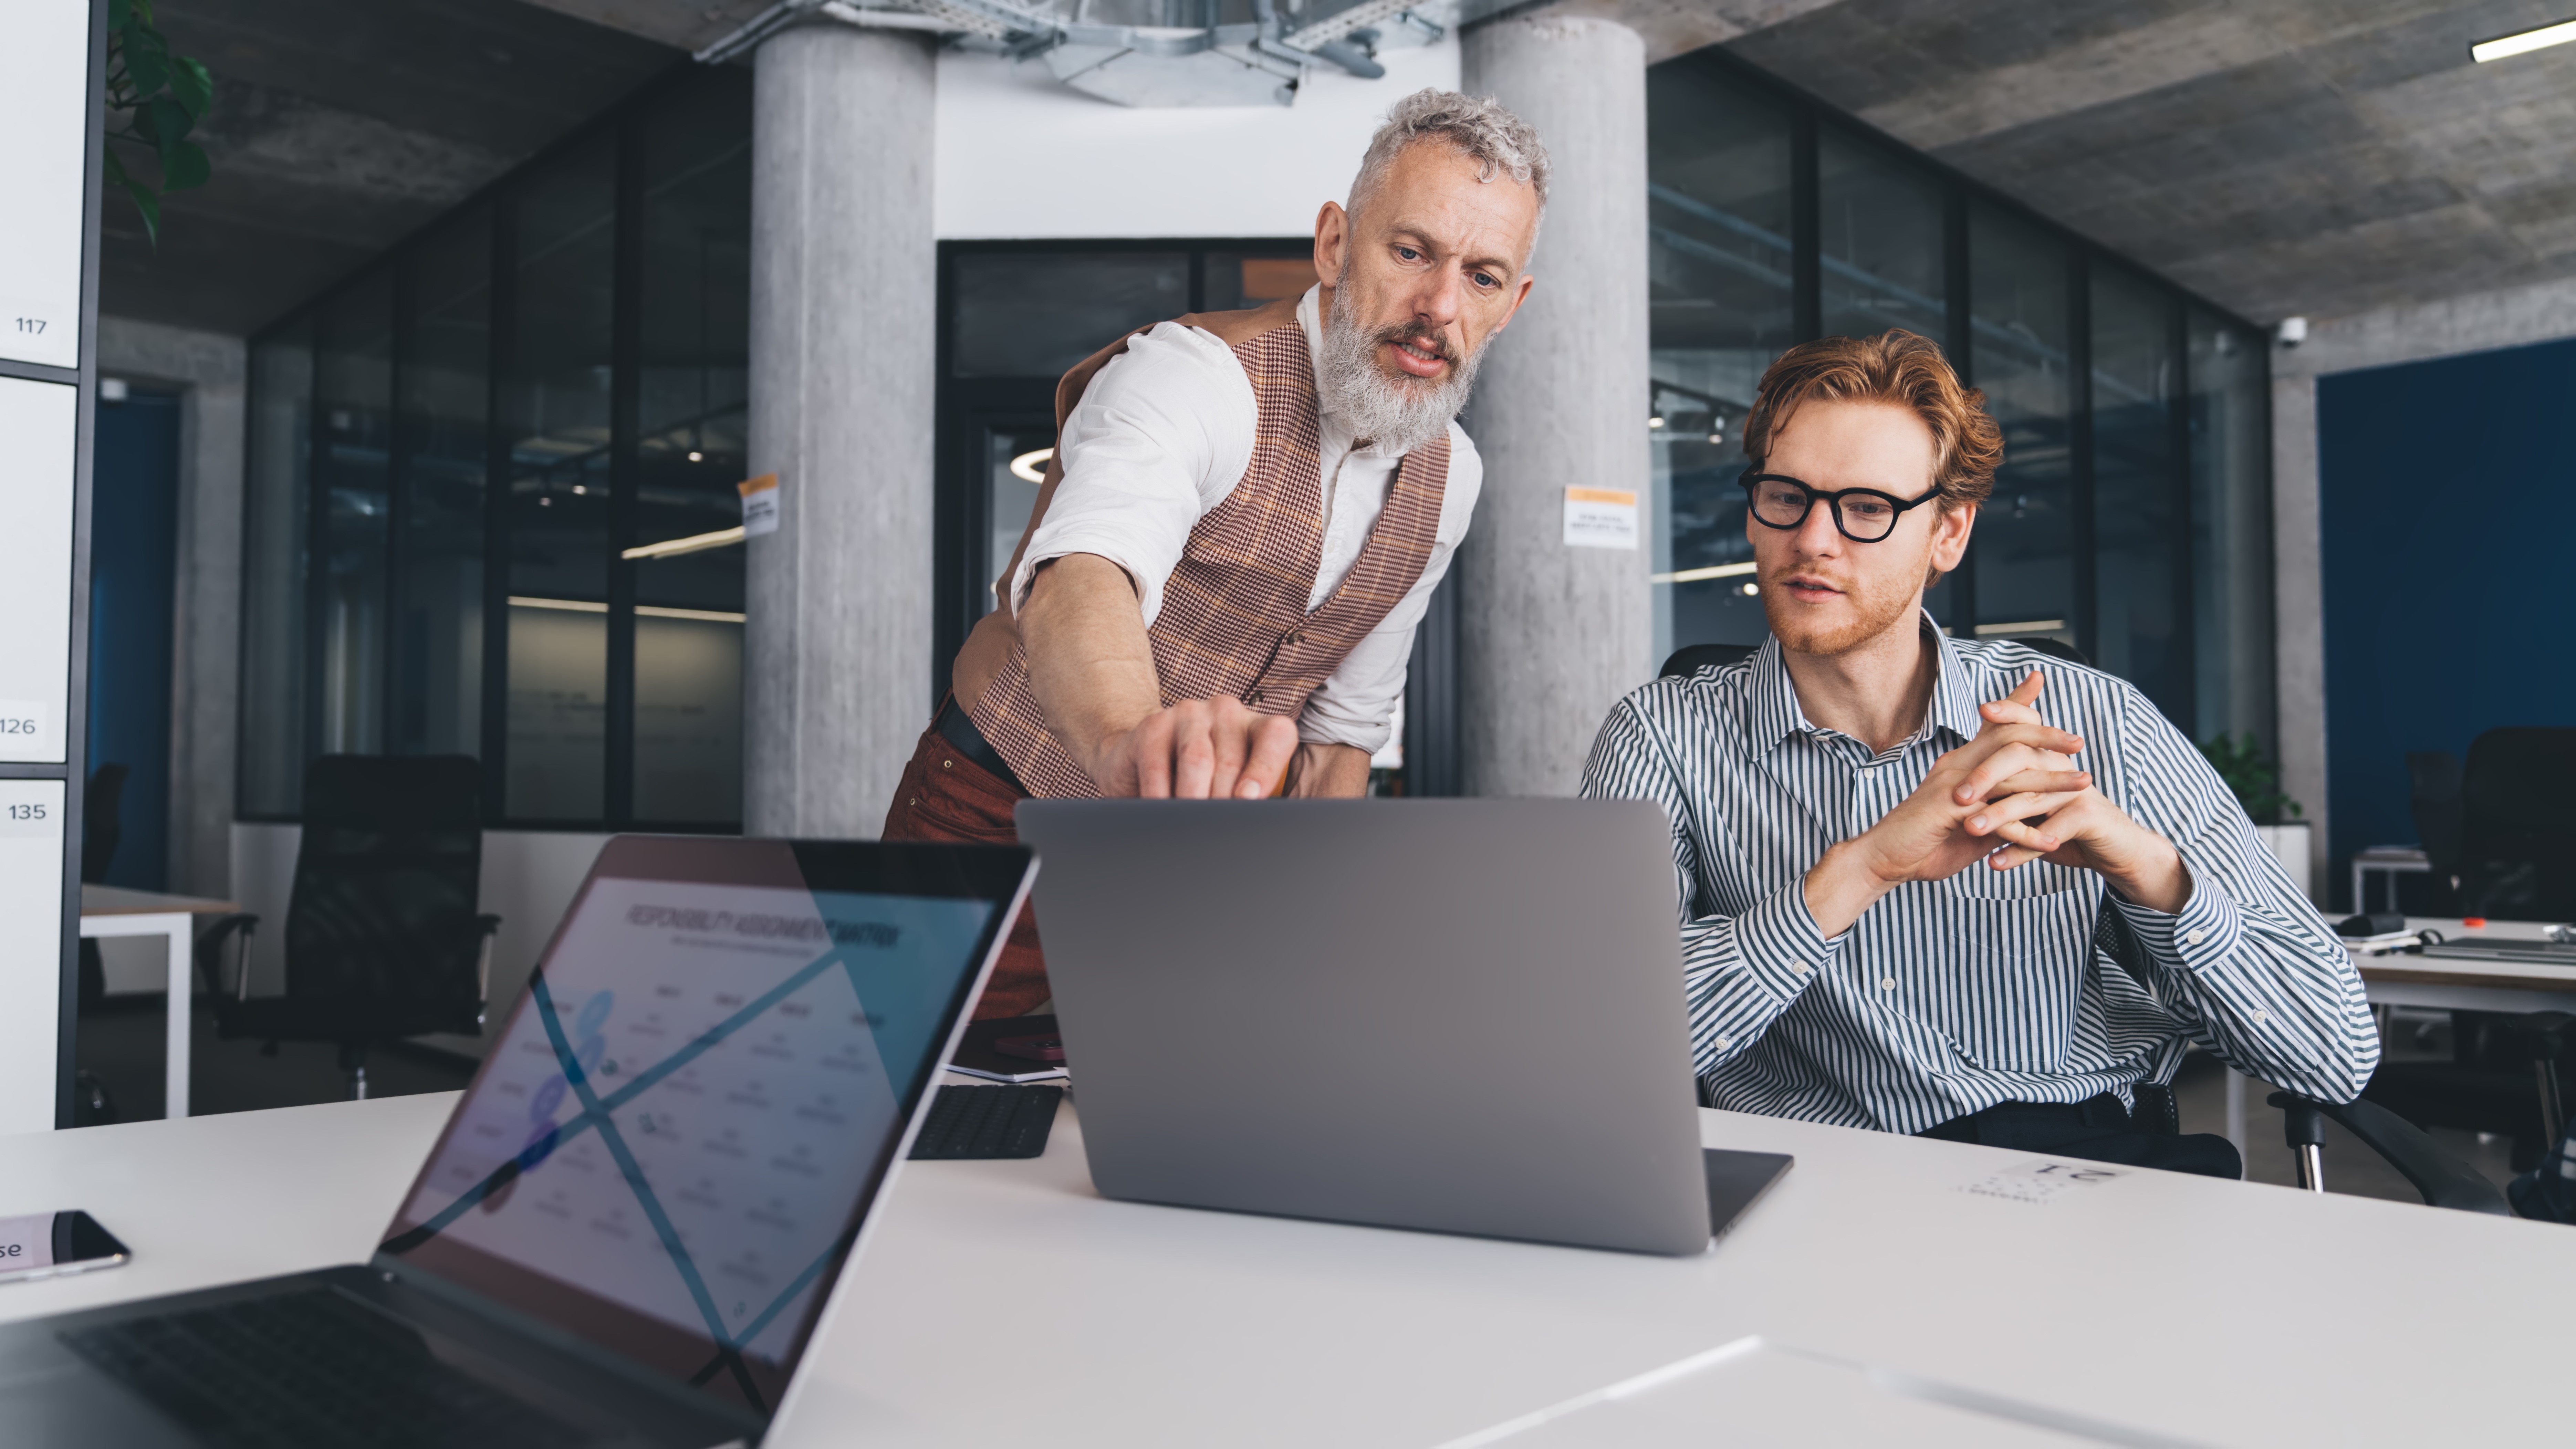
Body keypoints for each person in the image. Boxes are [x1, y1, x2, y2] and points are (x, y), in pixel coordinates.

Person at [1579, 331, 2375, 1177]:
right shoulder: (1662, 737)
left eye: (1866, 508)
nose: (1813, 538)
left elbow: (2333, 1050)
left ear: (1949, 533)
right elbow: (1597, 1052)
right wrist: (1863, 869)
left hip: (2076, 1177)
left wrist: (2150, 873)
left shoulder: (2097, 723)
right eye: (1786, 495)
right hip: (1820, 1187)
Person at [883, 90, 1547, 1018]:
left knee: (1178, 1132)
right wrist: (1126, 746)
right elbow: (1085, 577)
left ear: (1510, 306)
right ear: (1333, 244)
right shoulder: (1193, 376)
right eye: (1410, 252)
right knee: (932, 1115)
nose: (1438, 306)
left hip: (1212, 867)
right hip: (1000, 817)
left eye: (1481, 277)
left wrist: (1317, 916)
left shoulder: (1453, 478)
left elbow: (1342, 734)